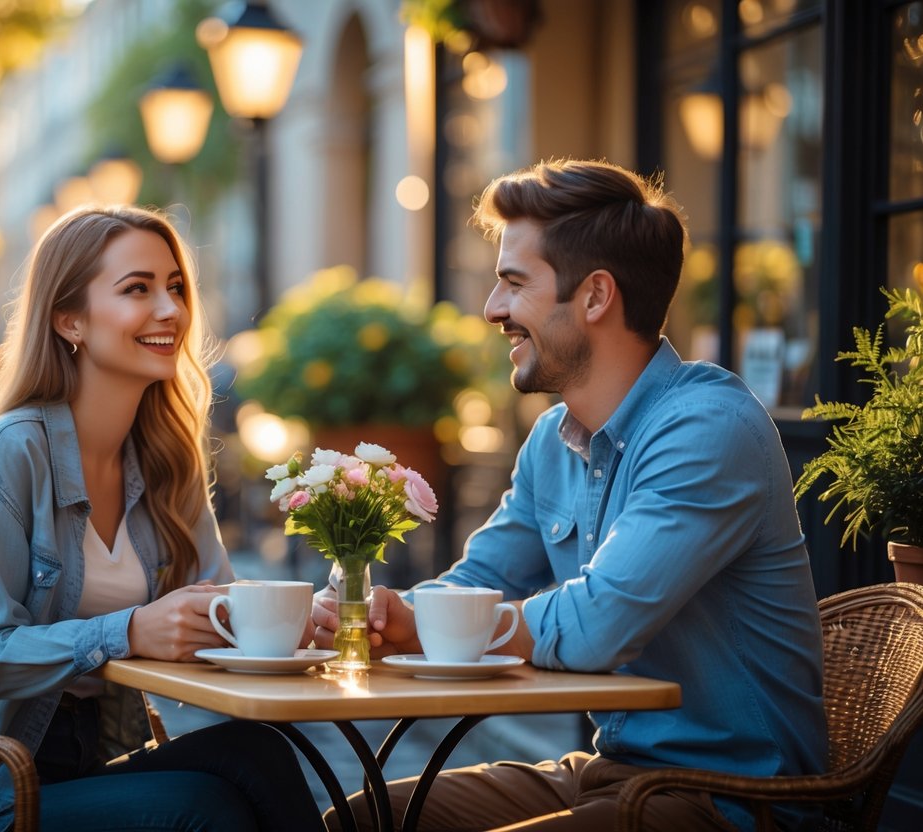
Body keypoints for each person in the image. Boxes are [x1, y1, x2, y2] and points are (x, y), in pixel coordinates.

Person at [313, 159, 827, 831]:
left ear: (593, 297)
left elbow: (596, 625)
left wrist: (434, 627)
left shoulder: (708, 429)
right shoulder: (554, 439)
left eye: (513, 283)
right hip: (611, 770)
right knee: (365, 820)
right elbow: (484, 578)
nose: (492, 309)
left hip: (740, 801)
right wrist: (387, 612)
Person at [0, 205, 323, 832]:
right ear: (70, 320)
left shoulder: (166, 453)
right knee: (202, 811)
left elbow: (219, 597)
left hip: (81, 763)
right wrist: (129, 631)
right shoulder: (12, 454)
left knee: (257, 753)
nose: (171, 310)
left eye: (174, 287)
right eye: (137, 289)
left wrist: (298, 615)